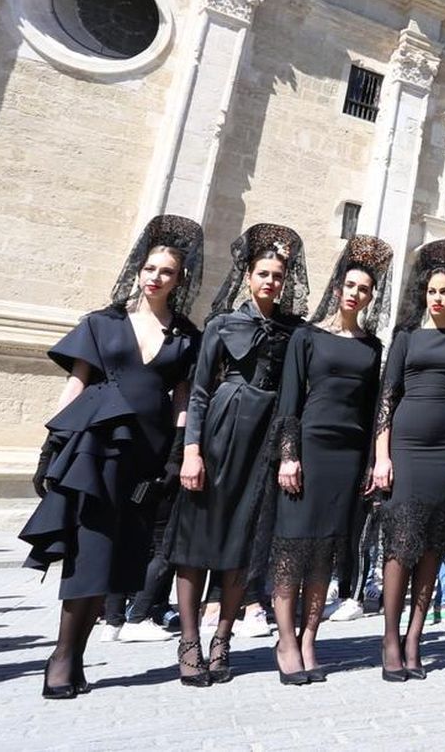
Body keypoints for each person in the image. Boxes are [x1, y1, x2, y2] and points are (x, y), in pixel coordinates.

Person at [21, 215, 205, 699]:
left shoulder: (186, 336)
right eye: (149, 268)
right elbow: (76, 383)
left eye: (166, 271)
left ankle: (76, 657)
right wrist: (52, 446)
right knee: (88, 553)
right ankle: (62, 657)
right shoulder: (103, 323)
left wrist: (174, 458)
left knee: (116, 560)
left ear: (178, 279)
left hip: (146, 456)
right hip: (95, 450)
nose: (155, 277)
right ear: (138, 269)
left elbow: (183, 400)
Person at [164, 224, 308, 685]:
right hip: (221, 433)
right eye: (262, 273)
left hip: (263, 442)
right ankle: (189, 642)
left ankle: (223, 638)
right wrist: (192, 452)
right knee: (196, 540)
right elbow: (201, 392)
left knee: (241, 544)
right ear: (248, 276)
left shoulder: (292, 332)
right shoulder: (222, 324)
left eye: (277, 277)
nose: (270, 282)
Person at [271, 234, 392, 684]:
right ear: (338, 287)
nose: (355, 294)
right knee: (291, 549)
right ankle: (285, 641)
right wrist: (288, 455)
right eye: (350, 286)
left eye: (364, 289)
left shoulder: (372, 346)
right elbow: (289, 401)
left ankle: (308, 640)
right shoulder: (307, 336)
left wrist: (368, 465)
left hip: (347, 456)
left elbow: (371, 406)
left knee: (324, 553)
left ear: (370, 296)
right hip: (308, 450)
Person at [372, 239, 445, 682]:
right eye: (432, 291)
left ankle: (416, 636)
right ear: (425, 295)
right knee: (400, 546)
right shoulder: (405, 338)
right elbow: (387, 397)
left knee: (433, 545)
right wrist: (381, 456)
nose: (438, 298)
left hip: (444, 454)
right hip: (406, 450)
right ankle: (391, 638)